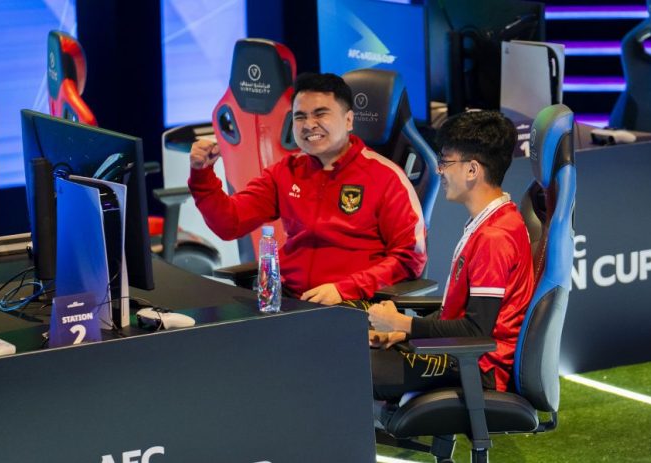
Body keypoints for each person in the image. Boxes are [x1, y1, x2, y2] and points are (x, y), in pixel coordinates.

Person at [188, 73, 426, 305]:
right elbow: (229, 223)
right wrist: (202, 174)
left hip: (353, 304)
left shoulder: (386, 177)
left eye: (321, 114)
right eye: (300, 116)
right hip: (289, 300)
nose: (309, 125)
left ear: (348, 120)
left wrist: (345, 289)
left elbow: (409, 258)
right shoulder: (286, 171)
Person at [368, 110, 534, 400]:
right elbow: (456, 314)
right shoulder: (491, 222)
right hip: (461, 356)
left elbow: (476, 330)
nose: (439, 170)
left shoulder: (495, 237)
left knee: (352, 368)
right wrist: (403, 334)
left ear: (472, 170)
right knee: (354, 357)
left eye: (445, 161)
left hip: (478, 368)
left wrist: (401, 323)